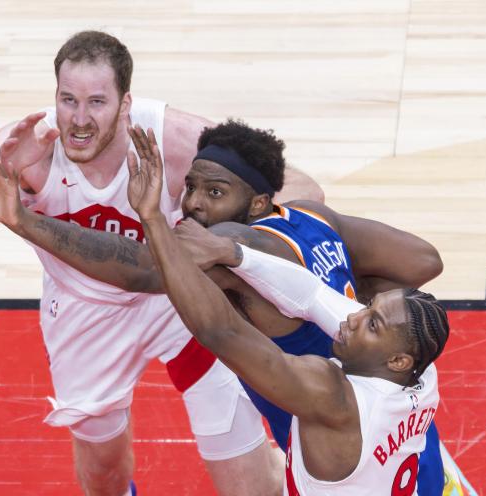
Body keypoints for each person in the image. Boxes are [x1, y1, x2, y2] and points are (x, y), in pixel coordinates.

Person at [0, 31, 325, 496]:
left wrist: (225, 244)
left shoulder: (173, 140)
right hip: (86, 310)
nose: (79, 120)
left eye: (97, 102)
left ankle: (271, 469)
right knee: (104, 477)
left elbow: (303, 191)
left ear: (125, 104)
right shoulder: (27, 149)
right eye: (68, 100)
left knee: (249, 488)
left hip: (180, 299)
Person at [124, 125, 450, 495]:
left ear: (397, 361)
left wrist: (151, 218)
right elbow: (311, 293)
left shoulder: (333, 396)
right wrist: (236, 254)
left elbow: (221, 332)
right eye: (367, 307)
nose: (354, 314)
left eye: (371, 323)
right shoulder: (424, 374)